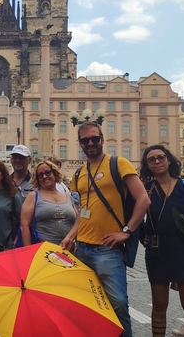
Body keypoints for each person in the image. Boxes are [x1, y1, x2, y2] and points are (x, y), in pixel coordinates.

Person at [69, 121, 150, 337]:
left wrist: (127, 231)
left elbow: (143, 200)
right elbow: (82, 212)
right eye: (85, 140)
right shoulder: (79, 173)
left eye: (94, 138)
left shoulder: (118, 163)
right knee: (87, 306)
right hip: (82, 249)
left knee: (118, 304)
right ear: (80, 144)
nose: (90, 143)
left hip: (107, 249)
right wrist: (70, 237)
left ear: (102, 140)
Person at [139, 145, 184, 337]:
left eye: (160, 157)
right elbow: (134, 218)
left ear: (168, 160)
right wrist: (142, 235)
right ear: (147, 165)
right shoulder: (146, 190)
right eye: (151, 159)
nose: (157, 161)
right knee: (159, 304)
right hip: (158, 252)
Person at [19, 159, 79, 249]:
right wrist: (28, 250)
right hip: (43, 250)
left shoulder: (68, 196)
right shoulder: (33, 196)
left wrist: (70, 238)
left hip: (67, 250)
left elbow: (78, 221)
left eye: (47, 172)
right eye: (40, 175)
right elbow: (24, 226)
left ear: (54, 173)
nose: (44, 176)